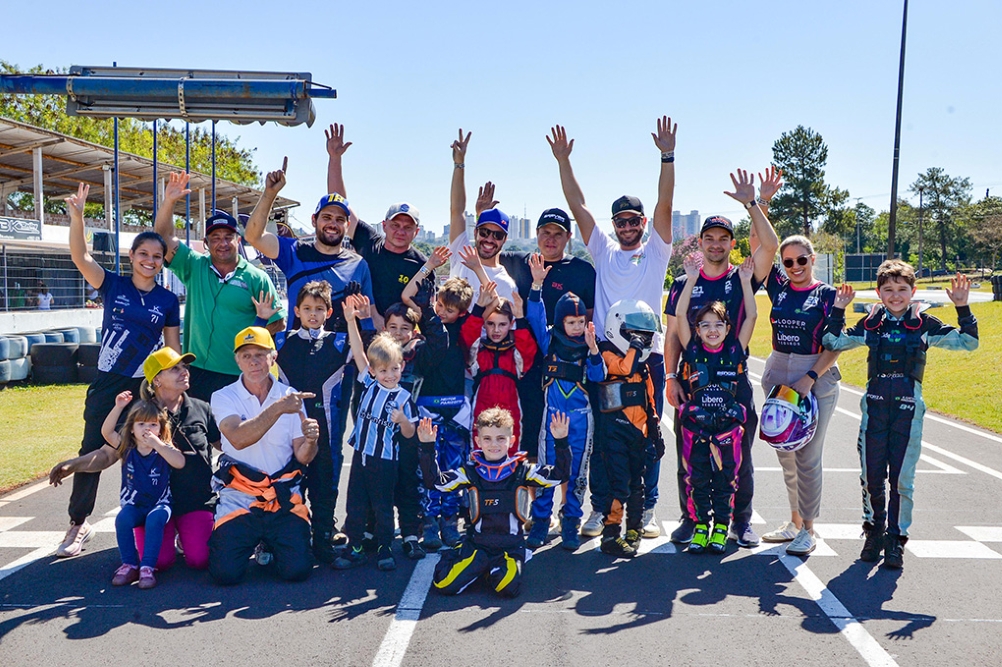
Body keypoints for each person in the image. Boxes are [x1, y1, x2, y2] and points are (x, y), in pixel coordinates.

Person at [548, 118, 675, 541]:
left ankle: (648, 506)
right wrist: (564, 161)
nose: (626, 226)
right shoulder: (603, 250)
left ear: (642, 221)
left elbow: (665, 204)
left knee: (647, 433)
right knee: (604, 437)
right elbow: (578, 206)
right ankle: (602, 508)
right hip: (604, 358)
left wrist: (667, 157)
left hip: (647, 358)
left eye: (632, 220)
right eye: (620, 221)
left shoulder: (656, 252)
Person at [823, 263, 978, 569]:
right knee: (871, 477)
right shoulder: (872, 324)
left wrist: (962, 307)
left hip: (908, 413)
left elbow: (969, 342)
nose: (895, 296)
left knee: (902, 480)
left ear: (913, 291)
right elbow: (832, 341)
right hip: (874, 412)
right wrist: (839, 310)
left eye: (902, 289)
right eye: (889, 290)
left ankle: (896, 539)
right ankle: (874, 531)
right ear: (879, 293)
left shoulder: (924, 324)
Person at [57, 183, 181, 559]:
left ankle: (162, 519)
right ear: (131, 256)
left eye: (157, 256)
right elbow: (80, 256)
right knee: (92, 448)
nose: (150, 261)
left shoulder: (167, 300)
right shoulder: (112, 284)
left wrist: (174, 388)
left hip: (146, 387)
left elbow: (172, 349)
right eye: (143, 254)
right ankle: (79, 523)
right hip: (108, 384)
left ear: (163, 260)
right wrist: (77, 217)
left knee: (152, 449)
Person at [664, 168, 781, 548]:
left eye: (723, 239)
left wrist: (754, 204)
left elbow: (770, 246)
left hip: (733, 385)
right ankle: (691, 519)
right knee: (690, 457)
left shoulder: (742, 277)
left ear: (732, 243)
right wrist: (670, 377)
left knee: (738, 459)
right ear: (700, 242)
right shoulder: (683, 283)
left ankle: (740, 522)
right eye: (710, 238)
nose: (716, 245)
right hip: (694, 382)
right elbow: (673, 333)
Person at [50, 347, 220, 572]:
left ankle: (185, 534)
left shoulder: (202, 408)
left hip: (195, 501)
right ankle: (164, 535)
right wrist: (73, 465)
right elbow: (108, 453)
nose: (185, 372)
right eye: (175, 369)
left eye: (185, 367)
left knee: (200, 559)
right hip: (152, 503)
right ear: (156, 380)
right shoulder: (139, 415)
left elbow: (225, 445)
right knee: (158, 562)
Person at [155, 173, 285, 401]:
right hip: (197, 371)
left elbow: (278, 322)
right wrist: (169, 202)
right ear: (206, 243)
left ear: (238, 240)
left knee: (237, 424)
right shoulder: (194, 265)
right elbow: (161, 239)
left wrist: (254, 331)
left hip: (238, 374)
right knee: (198, 423)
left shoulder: (257, 278)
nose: (222, 243)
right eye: (215, 238)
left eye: (228, 237)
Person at [208, 327, 321, 585]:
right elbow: (237, 438)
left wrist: (311, 440)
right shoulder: (223, 396)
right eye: (246, 355)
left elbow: (303, 456)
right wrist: (278, 408)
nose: (254, 362)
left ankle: (269, 542)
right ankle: (256, 539)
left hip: (282, 496)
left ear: (273, 357)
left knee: (298, 571)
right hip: (240, 497)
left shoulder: (290, 395)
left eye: (260, 354)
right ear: (237, 361)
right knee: (225, 574)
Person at [418, 409, 571, 598]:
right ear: (478, 441)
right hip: (478, 546)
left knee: (507, 588)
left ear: (511, 441)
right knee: (444, 583)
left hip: (510, 547)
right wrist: (427, 447)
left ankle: (487, 568)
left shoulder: (522, 471)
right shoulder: (470, 472)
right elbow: (435, 482)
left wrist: (561, 441)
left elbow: (560, 475)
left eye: (500, 438)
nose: (494, 444)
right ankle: (470, 558)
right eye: (487, 439)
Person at [758, 235, 842, 556]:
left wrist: (810, 378)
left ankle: (808, 529)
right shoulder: (778, 286)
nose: (795, 266)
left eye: (801, 260)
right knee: (786, 452)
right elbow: (760, 242)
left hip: (815, 374)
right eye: (788, 262)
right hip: (779, 371)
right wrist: (757, 209)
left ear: (812, 259)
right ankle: (794, 523)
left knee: (807, 456)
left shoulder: (827, 295)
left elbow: (835, 344)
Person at [499, 206, 596, 461]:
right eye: (545, 232)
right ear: (536, 233)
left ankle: (567, 483)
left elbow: (590, 317)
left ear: (568, 237)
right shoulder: (519, 262)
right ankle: (530, 485)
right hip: (525, 361)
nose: (550, 239)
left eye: (557, 234)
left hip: (566, 365)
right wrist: (482, 214)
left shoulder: (582, 270)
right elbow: (485, 248)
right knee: (529, 432)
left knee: (567, 436)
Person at [674, 256, 757, 555]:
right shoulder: (692, 350)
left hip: (727, 428)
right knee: (697, 478)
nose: (712, 330)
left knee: (727, 479)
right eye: (705, 325)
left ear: (727, 327)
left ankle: (722, 526)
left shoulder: (735, 349)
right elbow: (680, 313)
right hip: (697, 427)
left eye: (718, 325)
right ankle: (699, 526)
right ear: (696, 330)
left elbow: (751, 316)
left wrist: (745, 282)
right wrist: (691, 280)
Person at [524, 259, 606, 550]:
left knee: (576, 474)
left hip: (582, 419)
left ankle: (571, 522)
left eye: (580, 322)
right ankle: (540, 522)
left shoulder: (590, 345)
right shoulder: (550, 341)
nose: (576, 327)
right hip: (553, 417)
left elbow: (598, 376)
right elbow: (535, 315)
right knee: (547, 469)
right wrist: (537, 285)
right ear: (561, 321)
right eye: (571, 322)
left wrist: (594, 351)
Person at [241, 159, 375, 333]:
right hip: (297, 348)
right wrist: (270, 193)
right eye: (326, 217)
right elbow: (253, 236)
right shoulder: (294, 251)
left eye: (339, 219)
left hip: (345, 349)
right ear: (314, 220)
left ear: (347, 225)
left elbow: (370, 314)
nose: (333, 224)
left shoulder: (359, 265)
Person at [334, 298, 418, 572]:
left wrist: (403, 421)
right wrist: (351, 321)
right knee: (356, 504)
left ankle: (385, 548)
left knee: (383, 507)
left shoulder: (404, 398)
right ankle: (355, 547)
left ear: (401, 366)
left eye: (394, 368)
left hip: (385, 460)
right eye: (383, 370)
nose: (389, 375)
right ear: (372, 370)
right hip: (361, 455)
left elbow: (410, 433)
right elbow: (359, 351)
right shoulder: (369, 383)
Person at [276, 281, 354, 564]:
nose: (313, 314)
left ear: (328, 312)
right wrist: (261, 318)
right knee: (288, 487)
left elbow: (364, 356)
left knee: (324, 487)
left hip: (326, 430)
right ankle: (286, 543)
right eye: (307, 308)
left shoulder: (339, 341)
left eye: (319, 309)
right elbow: (252, 354)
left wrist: (352, 321)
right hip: (288, 431)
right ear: (296, 310)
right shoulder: (281, 341)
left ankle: (323, 543)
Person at [401, 272, 476, 550]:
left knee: (454, 468)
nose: (443, 312)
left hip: (455, 408)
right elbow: (407, 296)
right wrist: (429, 267)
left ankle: (450, 521)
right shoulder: (427, 323)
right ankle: (430, 521)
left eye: (450, 309)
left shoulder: (466, 329)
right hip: (427, 406)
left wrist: (477, 270)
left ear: (462, 312)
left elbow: (488, 305)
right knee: (428, 468)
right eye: (440, 305)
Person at [325, 123, 428, 322]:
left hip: (399, 333)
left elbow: (422, 311)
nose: (400, 231)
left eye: (408, 227)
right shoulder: (369, 242)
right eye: (395, 225)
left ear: (416, 232)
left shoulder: (421, 264)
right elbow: (340, 204)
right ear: (384, 225)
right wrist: (335, 159)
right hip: (361, 327)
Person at [595, 299, 665, 558]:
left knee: (638, 485)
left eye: (645, 336)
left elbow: (650, 403)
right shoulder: (606, 355)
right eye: (636, 334)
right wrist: (635, 346)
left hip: (638, 435)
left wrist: (655, 434)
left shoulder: (644, 370)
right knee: (619, 486)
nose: (642, 340)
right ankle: (610, 535)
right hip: (614, 434)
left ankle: (634, 530)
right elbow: (623, 368)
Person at [104, 396, 185, 589]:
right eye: (141, 424)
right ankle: (130, 564)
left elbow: (180, 462)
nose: (147, 429)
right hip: (135, 504)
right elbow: (107, 432)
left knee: (155, 519)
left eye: (153, 424)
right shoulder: (127, 448)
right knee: (122, 520)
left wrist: (158, 444)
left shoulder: (163, 448)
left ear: (161, 429)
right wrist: (118, 407)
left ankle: (147, 567)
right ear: (132, 428)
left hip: (160, 504)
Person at [459, 281, 538, 449]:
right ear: (484, 324)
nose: (496, 330)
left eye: (502, 325)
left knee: (510, 448)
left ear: (511, 325)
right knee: (480, 448)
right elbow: (467, 337)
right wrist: (479, 308)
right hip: (481, 405)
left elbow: (528, 350)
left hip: (511, 407)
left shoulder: (515, 353)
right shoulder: (479, 350)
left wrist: (520, 318)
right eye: (491, 324)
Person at [448, 130, 518, 300]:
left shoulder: (506, 285)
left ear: (505, 240)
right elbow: (457, 210)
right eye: (485, 232)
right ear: (475, 232)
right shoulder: (462, 254)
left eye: (497, 235)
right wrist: (459, 164)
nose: (489, 239)